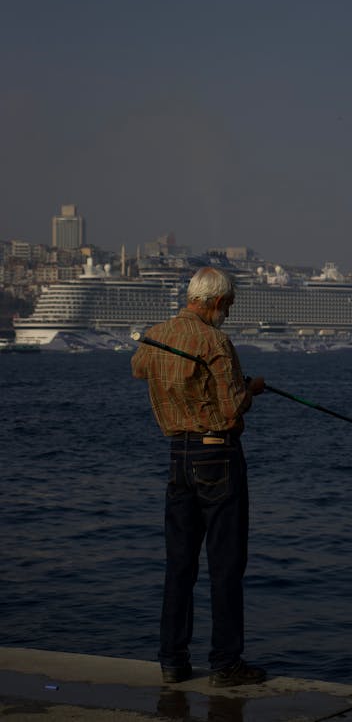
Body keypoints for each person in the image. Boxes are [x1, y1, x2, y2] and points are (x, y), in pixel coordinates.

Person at [131, 266, 267, 688]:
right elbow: (229, 409)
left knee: (180, 564)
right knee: (225, 565)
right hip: (217, 457)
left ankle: (172, 660)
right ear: (214, 302)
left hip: (179, 456)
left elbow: (140, 368)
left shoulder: (157, 333)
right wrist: (251, 390)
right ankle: (226, 664)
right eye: (227, 305)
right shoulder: (215, 342)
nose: (227, 312)